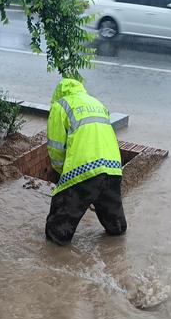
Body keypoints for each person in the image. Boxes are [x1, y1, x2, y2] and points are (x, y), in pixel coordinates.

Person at [45, 78, 127, 245]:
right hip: (113, 168)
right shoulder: (96, 103)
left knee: (57, 231)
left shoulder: (60, 106)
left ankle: (55, 259)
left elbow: (56, 147)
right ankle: (117, 250)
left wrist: (62, 176)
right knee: (116, 226)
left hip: (84, 168)